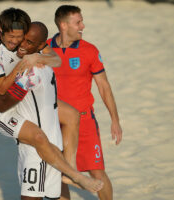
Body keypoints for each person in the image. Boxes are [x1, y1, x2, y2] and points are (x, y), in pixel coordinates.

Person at [0, 16, 104, 197]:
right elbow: (2, 98)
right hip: (0, 108)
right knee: (38, 137)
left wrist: (35, 57)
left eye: (26, 41)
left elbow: (56, 60)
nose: (19, 43)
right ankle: (74, 175)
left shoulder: (36, 60)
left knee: (72, 115)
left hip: (20, 99)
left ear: (40, 45)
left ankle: (69, 170)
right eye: (19, 38)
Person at [46, 5, 123, 200]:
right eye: (78, 22)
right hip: (53, 121)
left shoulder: (89, 50)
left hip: (84, 121)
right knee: (58, 174)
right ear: (64, 25)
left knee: (96, 172)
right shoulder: (44, 48)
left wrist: (115, 120)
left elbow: (104, 86)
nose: (83, 26)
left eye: (82, 21)